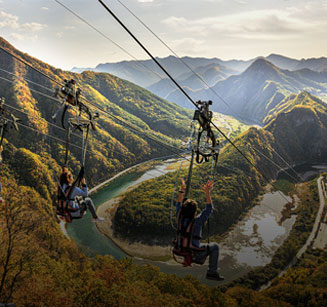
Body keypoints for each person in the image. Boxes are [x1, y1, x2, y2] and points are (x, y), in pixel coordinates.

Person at [176, 178, 224, 281]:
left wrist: (182, 189)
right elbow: (209, 209)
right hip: (195, 253)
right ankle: (212, 272)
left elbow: (178, 204)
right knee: (215, 246)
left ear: (183, 210)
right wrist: (207, 192)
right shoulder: (197, 222)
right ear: (195, 212)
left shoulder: (179, 217)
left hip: (182, 250)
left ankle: (188, 259)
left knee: (192, 244)